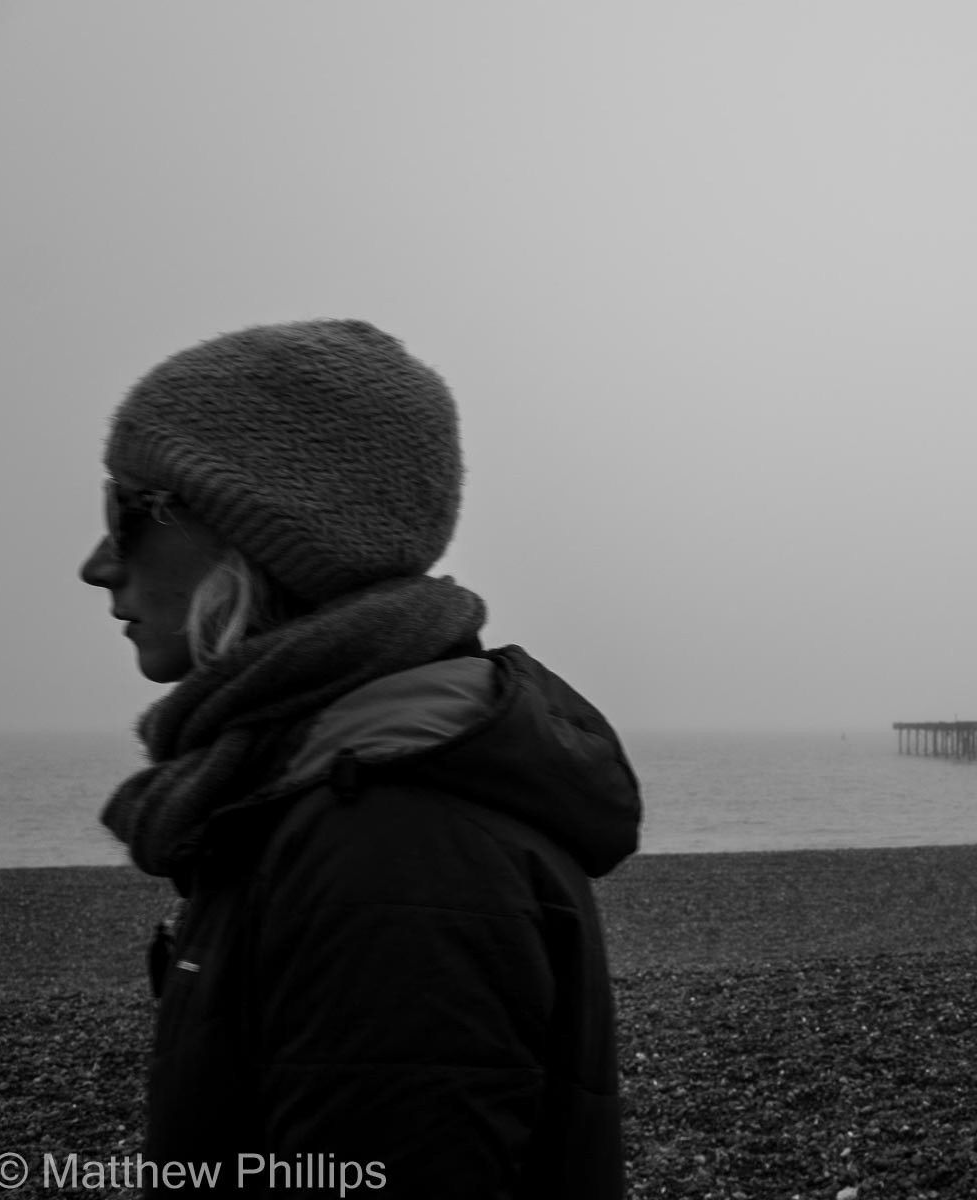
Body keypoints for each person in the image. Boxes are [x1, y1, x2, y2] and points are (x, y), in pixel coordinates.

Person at [78, 319, 642, 1198]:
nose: (97, 565)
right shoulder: (319, 793)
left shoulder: (390, 845)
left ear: (257, 532)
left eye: (129, 509)